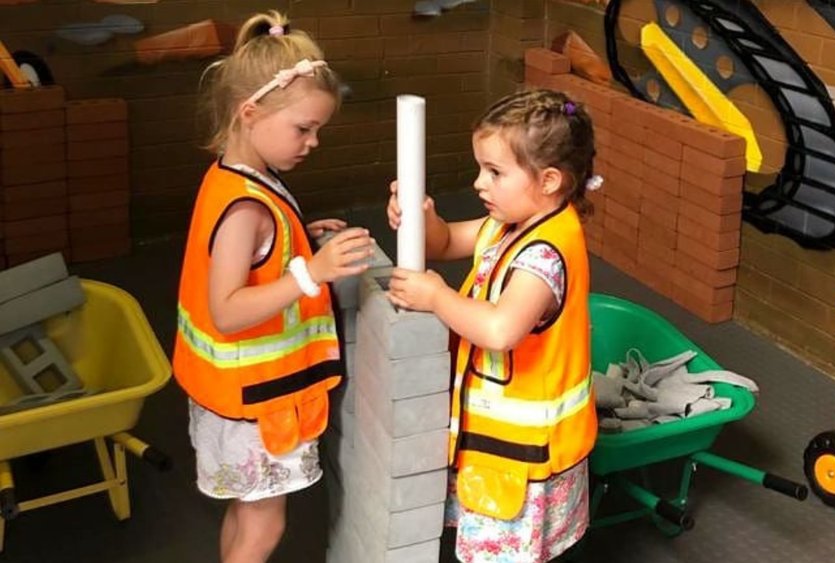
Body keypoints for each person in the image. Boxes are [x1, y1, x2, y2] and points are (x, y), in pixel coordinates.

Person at [171, 10, 373, 563]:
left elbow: (250, 261)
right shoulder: (244, 209)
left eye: (318, 130)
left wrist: (300, 243)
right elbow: (228, 310)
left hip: (229, 397)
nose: (312, 142)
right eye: (303, 128)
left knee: (246, 514)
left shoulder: (235, 177)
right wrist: (313, 272)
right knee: (263, 527)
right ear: (250, 111)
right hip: (254, 403)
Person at [386, 88, 602, 562]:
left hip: (527, 462)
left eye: (495, 172)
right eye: (481, 168)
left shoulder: (545, 254)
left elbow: (502, 329)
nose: (479, 183)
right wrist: (422, 219)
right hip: (497, 451)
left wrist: (436, 296)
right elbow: (444, 244)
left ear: (548, 180)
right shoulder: (509, 223)